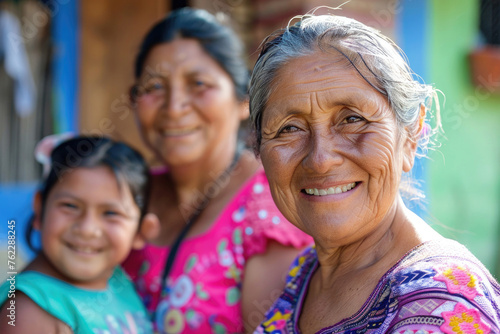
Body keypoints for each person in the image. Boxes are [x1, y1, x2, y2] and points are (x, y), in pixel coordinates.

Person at [248, 13, 500, 334]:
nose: (321, 160)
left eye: (353, 119)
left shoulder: (442, 307)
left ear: (410, 135)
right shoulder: (307, 272)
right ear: (258, 148)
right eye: (290, 128)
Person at [122, 7, 313, 334]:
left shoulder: (268, 214)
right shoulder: (125, 196)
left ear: (243, 101)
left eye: (198, 83)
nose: (174, 106)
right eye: (154, 87)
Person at [0, 136, 158, 334]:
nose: (87, 229)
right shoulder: (30, 311)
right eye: (70, 206)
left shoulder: (117, 281)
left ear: (141, 231)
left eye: (111, 213)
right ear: (40, 209)